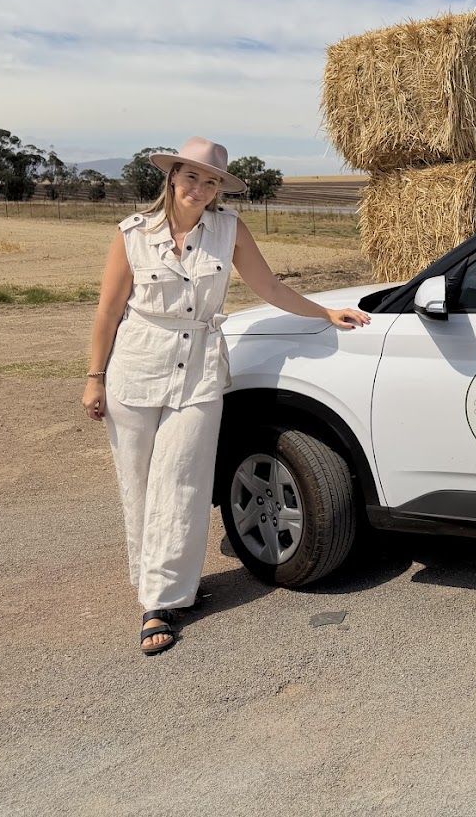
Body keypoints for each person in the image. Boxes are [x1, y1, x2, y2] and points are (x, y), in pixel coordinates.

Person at [82, 137, 369, 655]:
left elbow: (272, 289)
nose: (201, 187)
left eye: (211, 180)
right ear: (172, 178)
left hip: (197, 373)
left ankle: (161, 601)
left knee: (183, 482)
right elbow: (108, 311)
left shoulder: (230, 230)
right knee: (140, 483)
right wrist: (94, 376)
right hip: (136, 367)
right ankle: (156, 583)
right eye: (191, 176)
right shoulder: (132, 235)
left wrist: (325, 313)